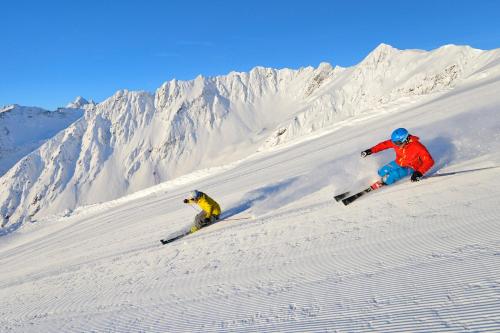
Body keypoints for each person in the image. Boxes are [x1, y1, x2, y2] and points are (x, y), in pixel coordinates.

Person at [361, 128, 434, 189]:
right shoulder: (396, 142)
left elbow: (429, 161)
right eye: (394, 143)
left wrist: (419, 172)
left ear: (406, 139)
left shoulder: (418, 147)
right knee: (382, 171)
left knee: (394, 174)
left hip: (412, 166)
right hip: (399, 162)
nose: (396, 145)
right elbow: (383, 145)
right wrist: (370, 150)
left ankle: (384, 183)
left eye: (398, 143)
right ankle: (370, 182)